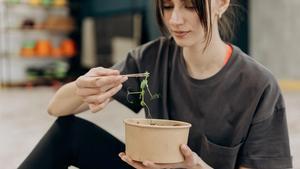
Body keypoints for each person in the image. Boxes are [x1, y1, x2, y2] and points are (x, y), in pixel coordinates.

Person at [19, 0, 293, 168]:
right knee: (68, 133)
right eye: (167, 6)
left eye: (189, 5)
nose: (175, 19)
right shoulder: (152, 58)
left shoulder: (257, 86)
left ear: (221, 3)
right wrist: (83, 87)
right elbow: (56, 108)